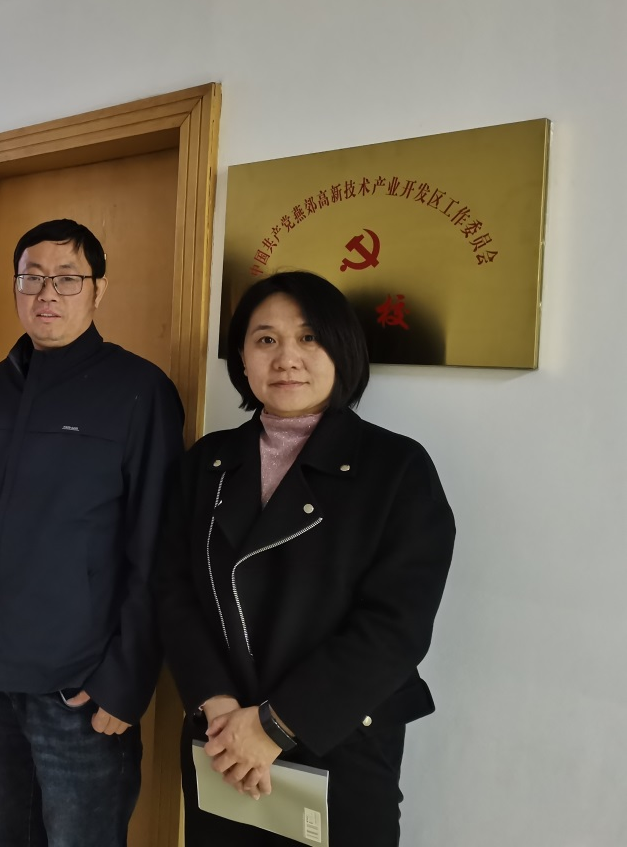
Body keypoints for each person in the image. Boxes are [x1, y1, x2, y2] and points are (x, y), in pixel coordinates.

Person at [155, 270, 456, 846]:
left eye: (309, 337)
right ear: (242, 358)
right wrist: (219, 706)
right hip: (221, 738)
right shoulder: (208, 462)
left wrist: (273, 725)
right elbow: (174, 591)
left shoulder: (396, 467)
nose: (286, 358)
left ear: (342, 349)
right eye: (265, 339)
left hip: (337, 735)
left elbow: (395, 626)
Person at [0, 218, 184, 847]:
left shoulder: (139, 390)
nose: (46, 293)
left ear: (98, 289)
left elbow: (157, 546)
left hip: (80, 689)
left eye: (67, 278)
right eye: (31, 278)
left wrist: (126, 679)